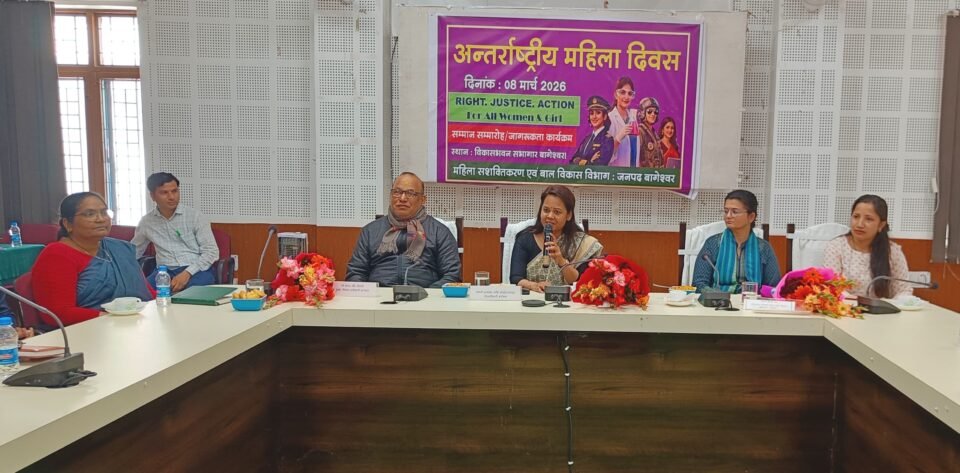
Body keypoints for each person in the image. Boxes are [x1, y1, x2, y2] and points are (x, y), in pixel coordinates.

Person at [32, 192, 155, 327]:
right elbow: (56, 313)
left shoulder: (118, 249)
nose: (101, 219)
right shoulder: (56, 255)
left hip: (133, 322)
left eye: (104, 212)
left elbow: (147, 292)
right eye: (90, 214)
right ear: (68, 224)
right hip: (86, 330)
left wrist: (163, 303)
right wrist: (111, 319)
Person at [346, 172, 461, 287]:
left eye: (410, 193)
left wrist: (428, 294)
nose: (402, 198)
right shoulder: (370, 231)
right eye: (397, 192)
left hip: (424, 294)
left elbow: (452, 275)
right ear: (391, 195)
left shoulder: (439, 232)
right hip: (380, 295)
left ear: (423, 199)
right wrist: (368, 294)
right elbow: (356, 272)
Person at [133, 173, 220, 293]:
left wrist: (187, 273)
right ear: (152, 196)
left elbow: (211, 252)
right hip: (164, 272)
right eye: (164, 193)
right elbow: (134, 251)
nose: (171, 197)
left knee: (192, 295)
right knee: (140, 293)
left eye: (174, 191)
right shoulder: (147, 222)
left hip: (196, 270)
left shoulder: (195, 216)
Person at [510, 185, 603, 292]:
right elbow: (515, 278)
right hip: (533, 299)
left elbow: (579, 282)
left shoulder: (582, 243)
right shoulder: (525, 238)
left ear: (568, 215)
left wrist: (560, 260)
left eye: (557, 212)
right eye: (546, 210)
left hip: (568, 300)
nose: (550, 216)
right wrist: (534, 285)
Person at [823, 195, 912, 298]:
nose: (860, 224)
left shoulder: (892, 252)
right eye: (856, 217)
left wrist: (902, 301)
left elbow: (903, 290)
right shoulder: (836, 246)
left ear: (881, 225)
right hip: (846, 306)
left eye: (868, 219)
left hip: (880, 307)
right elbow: (833, 287)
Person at [692, 190, 780, 293]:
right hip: (719, 300)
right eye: (726, 211)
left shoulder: (763, 248)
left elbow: (773, 287)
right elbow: (699, 284)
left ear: (751, 217)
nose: (728, 216)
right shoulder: (713, 244)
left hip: (752, 300)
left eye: (735, 212)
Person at [570, 96, 615, 166]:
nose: (594, 117)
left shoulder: (607, 140)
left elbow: (600, 165)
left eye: (598, 113)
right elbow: (572, 161)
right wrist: (590, 161)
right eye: (591, 113)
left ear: (605, 116)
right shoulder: (587, 138)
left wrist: (581, 161)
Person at [607, 76, 639, 167]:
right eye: (622, 92)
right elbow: (604, 153)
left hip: (633, 172)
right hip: (617, 172)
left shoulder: (634, 118)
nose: (626, 97)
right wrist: (618, 138)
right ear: (616, 95)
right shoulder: (610, 119)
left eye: (630, 93)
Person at [636, 97, 664, 168]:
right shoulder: (640, 132)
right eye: (649, 111)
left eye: (655, 112)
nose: (653, 114)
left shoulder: (655, 135)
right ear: (642, 113)